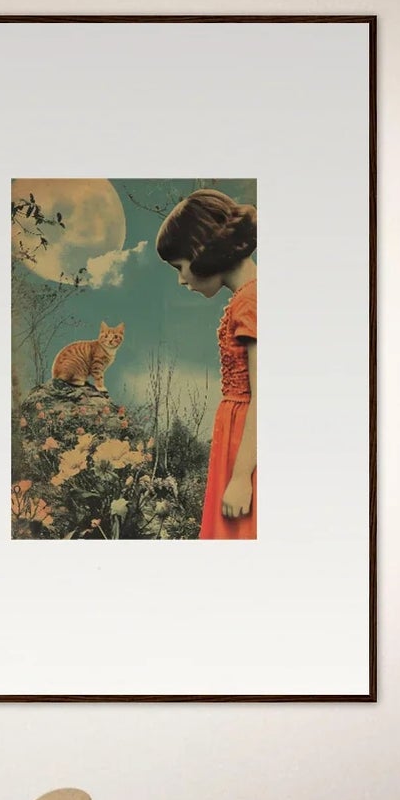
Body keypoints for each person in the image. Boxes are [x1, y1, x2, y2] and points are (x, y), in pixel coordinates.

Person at [154, 190, 257, 540]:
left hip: (247, 444)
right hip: (236, 438)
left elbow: (265, 396)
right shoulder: (245, 300)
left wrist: (242, 476)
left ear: (202, 254)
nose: (182, 280)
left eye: (180, 268)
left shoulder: (252, 302)